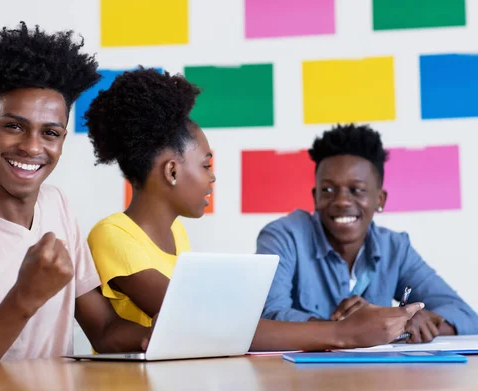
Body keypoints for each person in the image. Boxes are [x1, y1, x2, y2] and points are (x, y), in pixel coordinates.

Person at [84, 67, 423, 352]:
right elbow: (204, 321)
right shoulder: (113, 235)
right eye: (205, 165)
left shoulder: (175, 233)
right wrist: (342, 334)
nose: (212, 177)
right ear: (172, 171)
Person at [0, 22, 150, 389]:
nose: (33, 147)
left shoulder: (58, 207)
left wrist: (173, 337)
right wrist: (25, 297)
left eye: (50, 133)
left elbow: (104, 329)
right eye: (14, 126)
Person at [257, 123, 478, 343]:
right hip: (297, 377)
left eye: (357, 190)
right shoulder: (284, 237)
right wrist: (351, 330)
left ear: (379, 200)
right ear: (315, 197)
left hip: (376, 377)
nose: (342, 201)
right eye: (328, 190)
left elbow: (465, 315)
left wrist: (408, 322)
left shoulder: (395, 248)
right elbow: (266, 318)